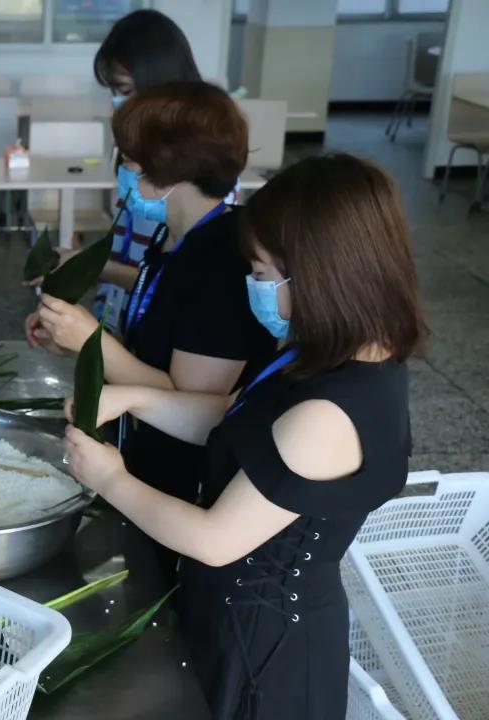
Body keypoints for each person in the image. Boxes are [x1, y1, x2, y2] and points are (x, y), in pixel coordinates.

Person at [64, 153, 427, 719]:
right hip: (227, 617)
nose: (251, 286)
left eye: (260, 274)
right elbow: (237, 419)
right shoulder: (332, 351)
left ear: (320, 275)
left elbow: (215, 539)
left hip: (265, 653)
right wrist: (135, 399)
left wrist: (110, 477)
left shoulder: (331, 414)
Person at [32, 81, 275, 579]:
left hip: (186, 489)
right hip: (142, 454)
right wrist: (75, 328)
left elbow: (187, 399)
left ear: (170, 171)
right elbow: (161, 303)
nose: (124, 171)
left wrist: (91, 341)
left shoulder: (223, 260)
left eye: (131, 161)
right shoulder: (175, 233)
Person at [25, 9, 203, 337]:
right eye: (113, 92)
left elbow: (176, 285)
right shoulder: (137, 144)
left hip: (158, 337)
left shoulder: (200, 167)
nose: (117, 104)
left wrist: (91, 267)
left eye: (125, 90)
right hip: (121, 321)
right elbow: (126, 244)